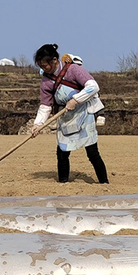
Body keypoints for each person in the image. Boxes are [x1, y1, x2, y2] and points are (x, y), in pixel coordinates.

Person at [31, 43, 109, 184]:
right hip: (65, 117)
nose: (44, 69)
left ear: (54, 60)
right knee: (62, 153)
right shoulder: (46, 81)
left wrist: (76, 100)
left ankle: (104, 183)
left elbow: (93, 86)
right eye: (41, 66)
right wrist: (38, 124)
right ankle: (63, 183)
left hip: (84, 113)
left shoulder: (73, 70)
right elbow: (45, 105)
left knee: (92, 153)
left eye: (45, 65)